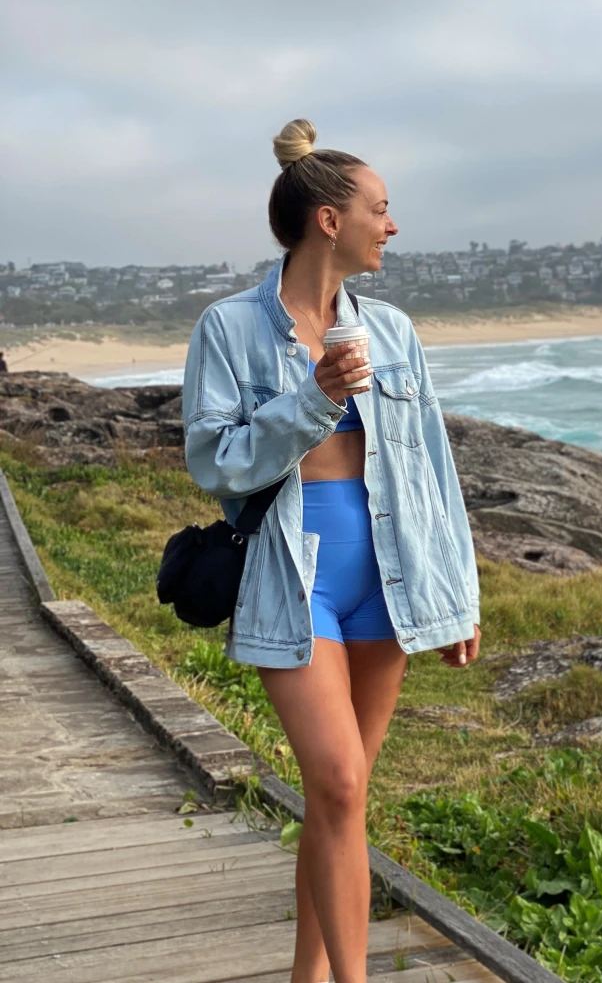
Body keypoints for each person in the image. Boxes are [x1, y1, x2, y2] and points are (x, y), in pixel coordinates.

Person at [181, 119, 481, 983]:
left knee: (338, 800)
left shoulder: (393, 330)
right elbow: (215, 463)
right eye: (380, 210)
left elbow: (431, 468)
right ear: (329, 220)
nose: (392, 225)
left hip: (389, 573)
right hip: (293, 572)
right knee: (341, 783)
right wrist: (310, 399)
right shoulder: (229, 328)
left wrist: (458, 593)